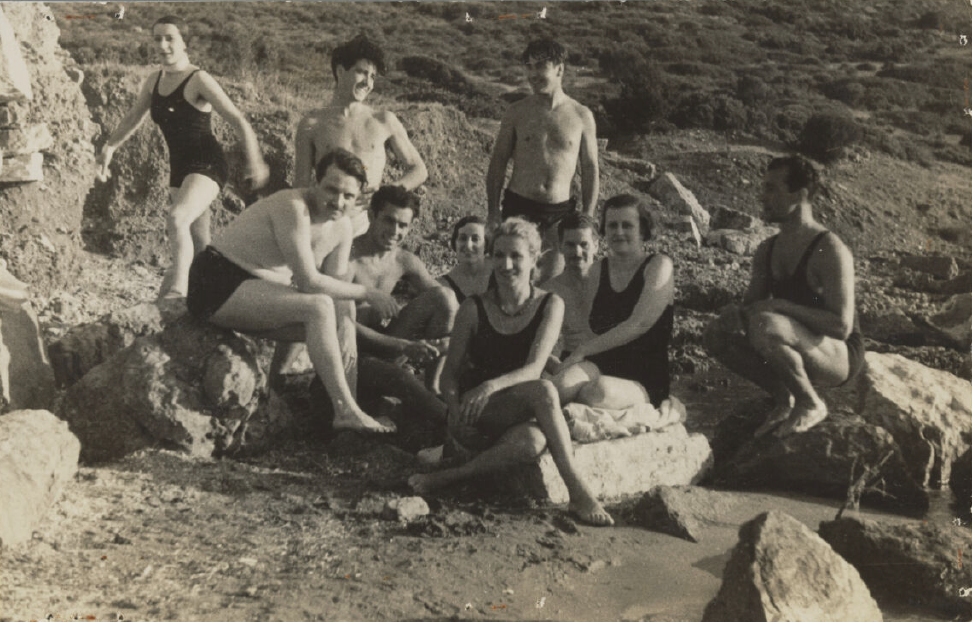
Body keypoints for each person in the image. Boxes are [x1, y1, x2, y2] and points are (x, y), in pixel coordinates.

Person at [408, 217, 613, 527]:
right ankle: (579, 492)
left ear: (534, 260)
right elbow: (449, 375)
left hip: (514, 403)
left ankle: (449, 477)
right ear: (490, 258)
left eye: (516, 256)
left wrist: (491, 385)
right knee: (545, 392)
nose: (506, 265)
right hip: (476, 411)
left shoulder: (550, 304)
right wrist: (453, 412)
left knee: (532, 442)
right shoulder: (474, 308)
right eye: (499, 255)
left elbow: (534, 367)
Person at [185, 149, 398, 434]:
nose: (337, 201)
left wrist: (347, 325)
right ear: (314, 182)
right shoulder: (293, 206)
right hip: (216, 282)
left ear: (359, 196)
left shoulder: (343, 227)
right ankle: (345, 410)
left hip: (256, 292)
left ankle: (342, 414)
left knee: (338, 322)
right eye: (331, 189)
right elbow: (310, 282)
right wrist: (369, 293)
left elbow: (336, 288)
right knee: (318, 307)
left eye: (348, 196)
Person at [96, 15, 269, 300]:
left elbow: (238, 120)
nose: (162, 45)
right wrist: (110, 147)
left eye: (170, 38)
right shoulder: (154, 81)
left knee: (177, 219)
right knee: (200, 244)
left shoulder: (197, 79)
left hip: (208, 163)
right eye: (157, 39)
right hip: (180, 170)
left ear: (185, 43)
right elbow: (132, 118)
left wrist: (255, 160)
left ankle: (178, 293)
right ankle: (212, 302)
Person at [703, 155, 865, 437]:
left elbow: (841, 326)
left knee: (767, 323)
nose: (762, 196)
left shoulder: (829, 248)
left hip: (838, 357)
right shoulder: (767, 249)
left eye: (771, 189)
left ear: (800, 195)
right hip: (792, 341)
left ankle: (811, 403)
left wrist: (781, 306)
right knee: (715, 333)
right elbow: (752, 308)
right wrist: (734, 314)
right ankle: (785, 398)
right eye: (763, 187)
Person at [486, 38, 599, 283]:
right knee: (513, 278)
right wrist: (493, 211)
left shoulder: (581, 115)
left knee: (552, 282)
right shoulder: (516, 112)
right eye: (528, 66)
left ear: (559, 69)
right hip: (518, 208)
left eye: (540, 66)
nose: (532, 74)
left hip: (559, 213)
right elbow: (498, 162)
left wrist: (587, 218)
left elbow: (590, 169)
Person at [294, 34, 428, 238]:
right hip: (326, 224)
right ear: (340, 71)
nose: (368, 82)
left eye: (373, 76)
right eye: (361, 72)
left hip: (368, 226)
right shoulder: (312, 124)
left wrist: (385, 192)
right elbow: (300, 186)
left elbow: (418, 169)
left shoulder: (383, 121)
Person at [549, 197, 674, 411]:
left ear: (643, 229)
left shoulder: (658, 265)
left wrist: (581, 351)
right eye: (612, 225)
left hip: (644, 375)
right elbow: (581, 327)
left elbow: (639, 323)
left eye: (627, 225)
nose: (618, 232)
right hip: (600, 364)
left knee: (597, 392)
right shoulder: (596, 270)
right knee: (556, 388)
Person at [350, 186, 458, 386]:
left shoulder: (402, 260)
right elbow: (340, 323)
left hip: (387, 347)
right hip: (350, 350)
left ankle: (433, 384)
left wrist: (450, 340)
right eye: (389, 220)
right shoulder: (348, 257)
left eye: (403, 225)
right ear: (371, 215)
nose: (395, 231)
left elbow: (447, 304)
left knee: (445, 297)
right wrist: (404, 345)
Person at [436, 216, 493, 304]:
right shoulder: (443, 285)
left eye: (475, 239)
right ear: (455, 242)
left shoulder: (500, 274)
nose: (468, 245)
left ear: (486, 244)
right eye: (462, 238)